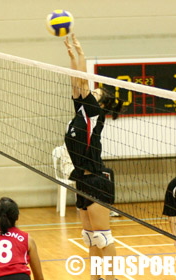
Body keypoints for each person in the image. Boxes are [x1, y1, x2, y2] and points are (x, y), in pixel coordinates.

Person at [63, 34, 123, 280]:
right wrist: (72, 56)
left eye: (96, 92)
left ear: (101, 102)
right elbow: (76, 83)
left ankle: (111, 278)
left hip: (97, 179)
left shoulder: (95, 111)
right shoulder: (83, 111)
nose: (89, 92)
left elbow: (83, 81)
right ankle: (95, 278)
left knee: (102, 236)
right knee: (89, 236)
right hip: (83, 179)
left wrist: (82, 54)